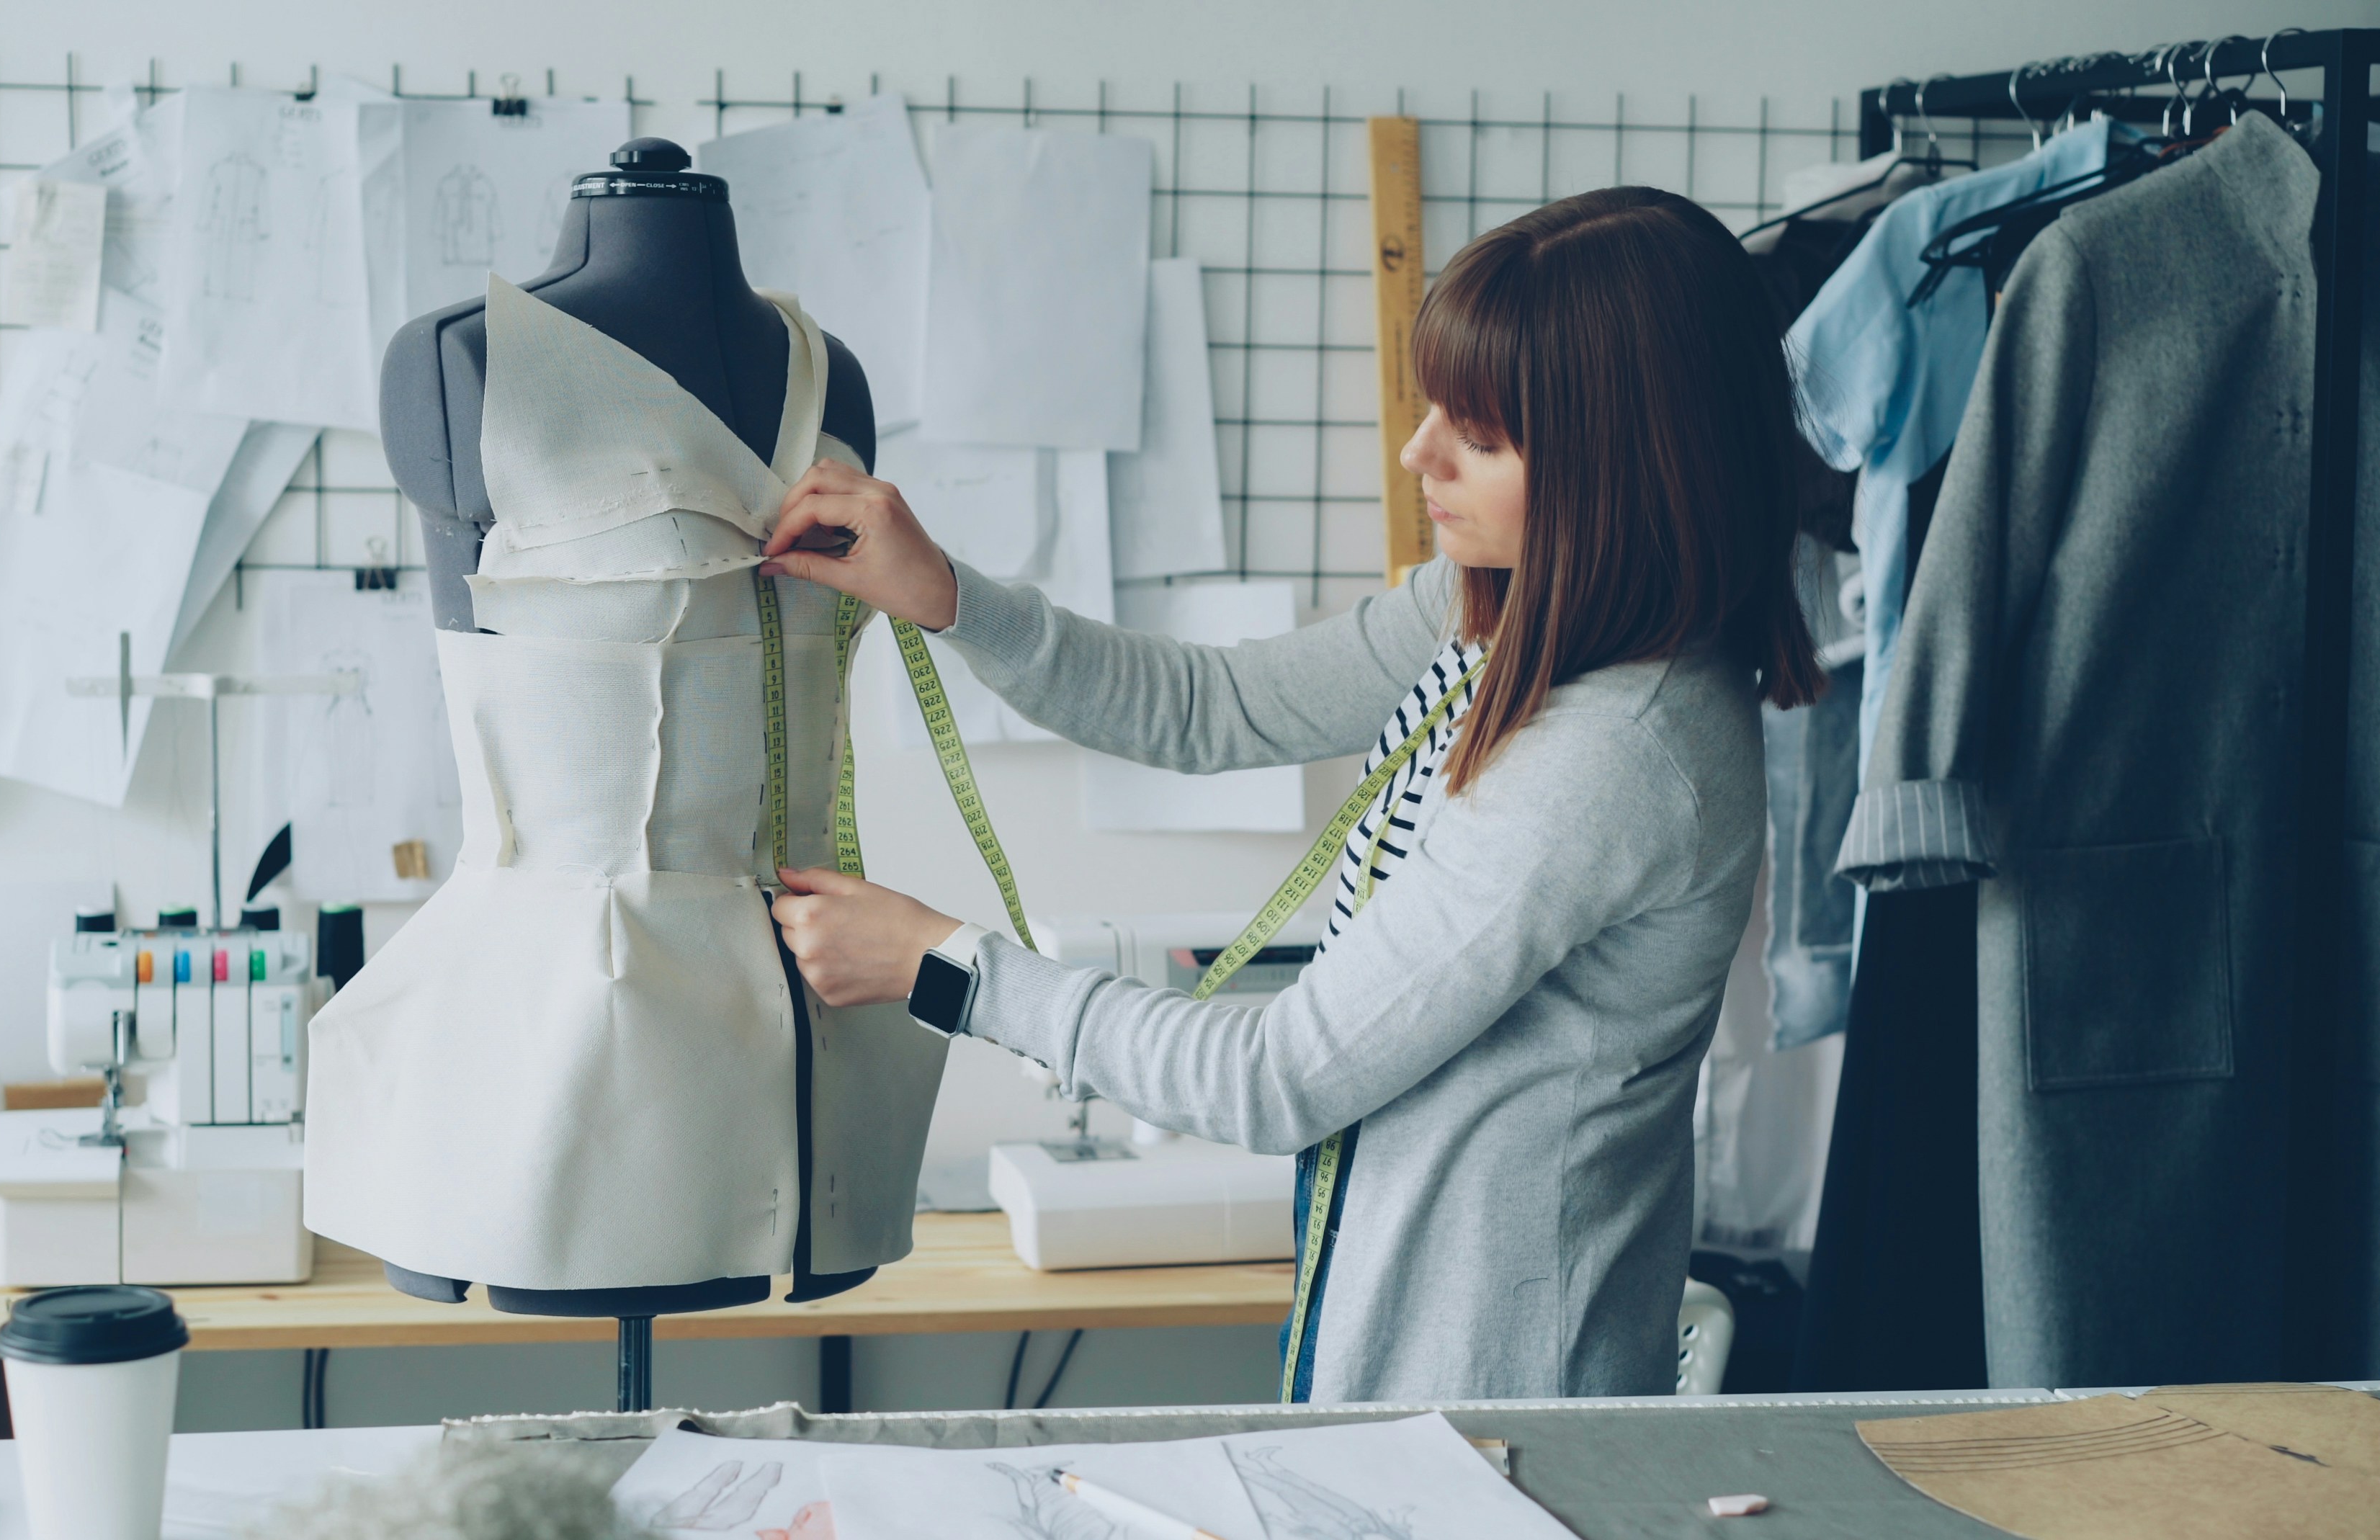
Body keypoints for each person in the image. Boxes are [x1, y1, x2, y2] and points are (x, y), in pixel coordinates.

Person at [758, 187, 1824, 1404]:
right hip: (1396, 1339)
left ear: (1618, 467)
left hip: (1502, 1409)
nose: (1419, 452)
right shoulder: (1502, 609)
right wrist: (950, 593)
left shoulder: (1619, 757)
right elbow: (1218, 707)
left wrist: (945, 965)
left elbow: (1278, 1075)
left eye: (1477, 435)